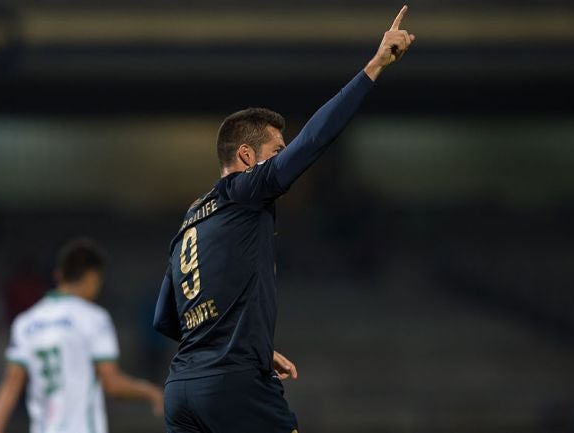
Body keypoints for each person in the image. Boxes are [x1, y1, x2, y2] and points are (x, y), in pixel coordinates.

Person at [153, 6, 415, 433]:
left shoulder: (190, 222)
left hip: (181, 389)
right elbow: (313, 140)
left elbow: (167, 318)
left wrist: (247, 344)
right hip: (233, 385)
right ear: (245, 156)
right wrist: (375, 65)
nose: (282, 158)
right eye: (275, 151)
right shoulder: (244, 191)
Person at [0, 238, 164, 433]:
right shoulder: (94, 319)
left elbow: (10, 387)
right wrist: (150, 391)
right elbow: (112, 384)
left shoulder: (25, 323)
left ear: (58, 275)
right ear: (92, 278)